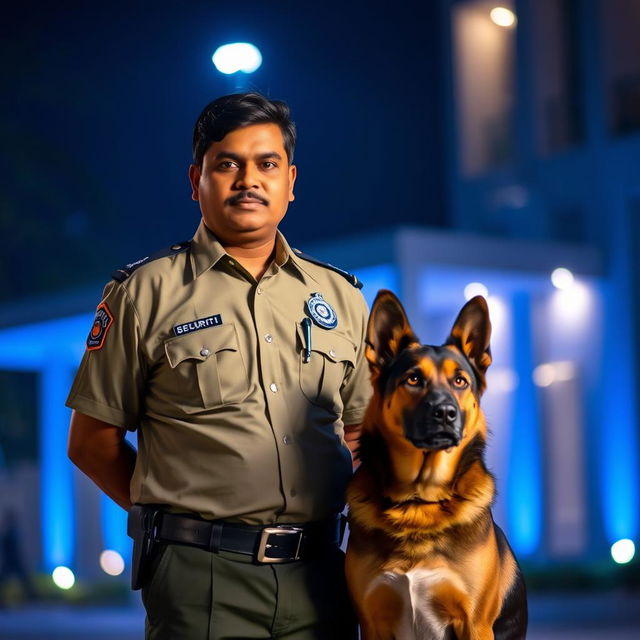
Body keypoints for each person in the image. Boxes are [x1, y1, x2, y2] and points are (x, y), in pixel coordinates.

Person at [66, 92, 372, 640]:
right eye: (226, 164)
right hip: (201, 578)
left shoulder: (342, 297)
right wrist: (173, 514)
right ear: (195, 180)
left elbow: (358, 431)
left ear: (291, 181)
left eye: (267, 164)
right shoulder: (145, 293)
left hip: (323, 573)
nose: (247, 179)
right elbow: (92, 443)